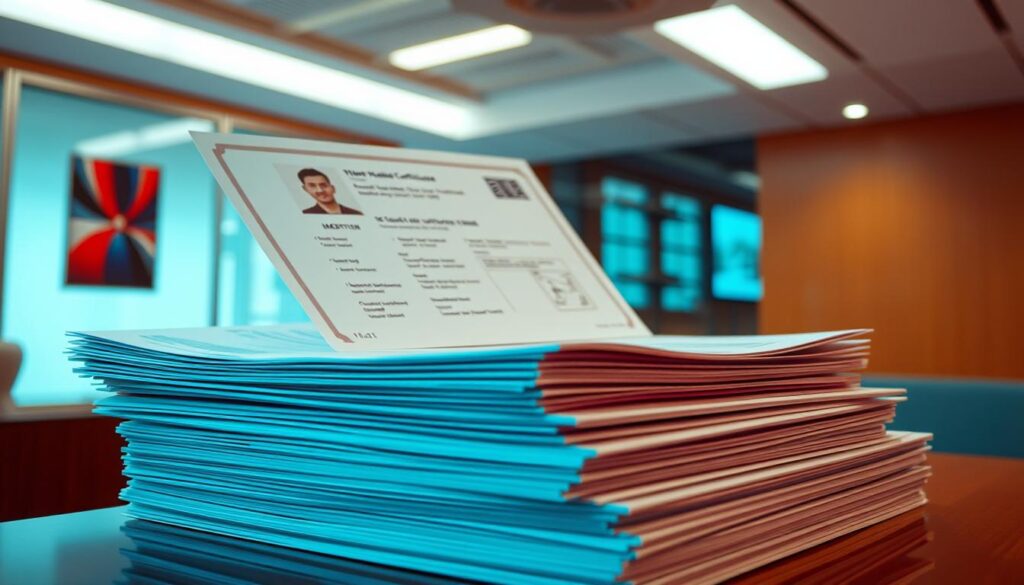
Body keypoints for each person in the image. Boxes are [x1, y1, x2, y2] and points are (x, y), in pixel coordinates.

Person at [297, 168, 362, 215]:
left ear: (333, 188)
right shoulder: (306, 214)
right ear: (306, 189)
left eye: (323, 185)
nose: (320, 190)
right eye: (312, 186)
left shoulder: (356, 214)